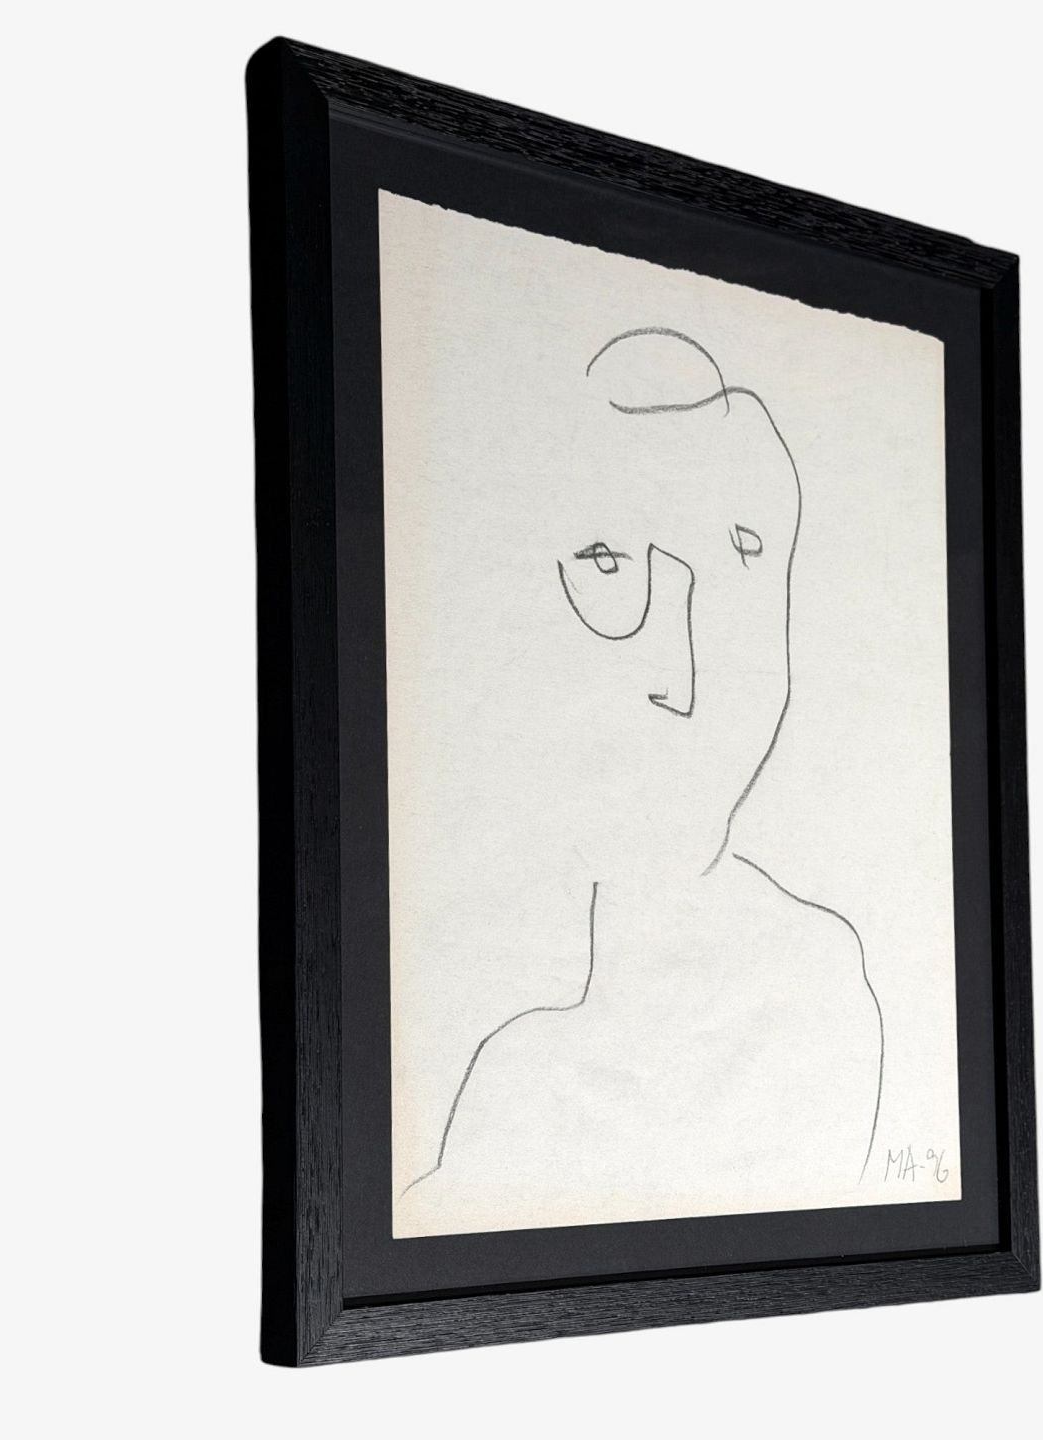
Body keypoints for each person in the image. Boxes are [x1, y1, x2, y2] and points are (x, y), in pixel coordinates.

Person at [398, 328, 882, 1234]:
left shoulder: (807, 986)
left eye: (742, 562)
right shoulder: (495, 1020)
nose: (682, 676)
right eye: (608, 561)